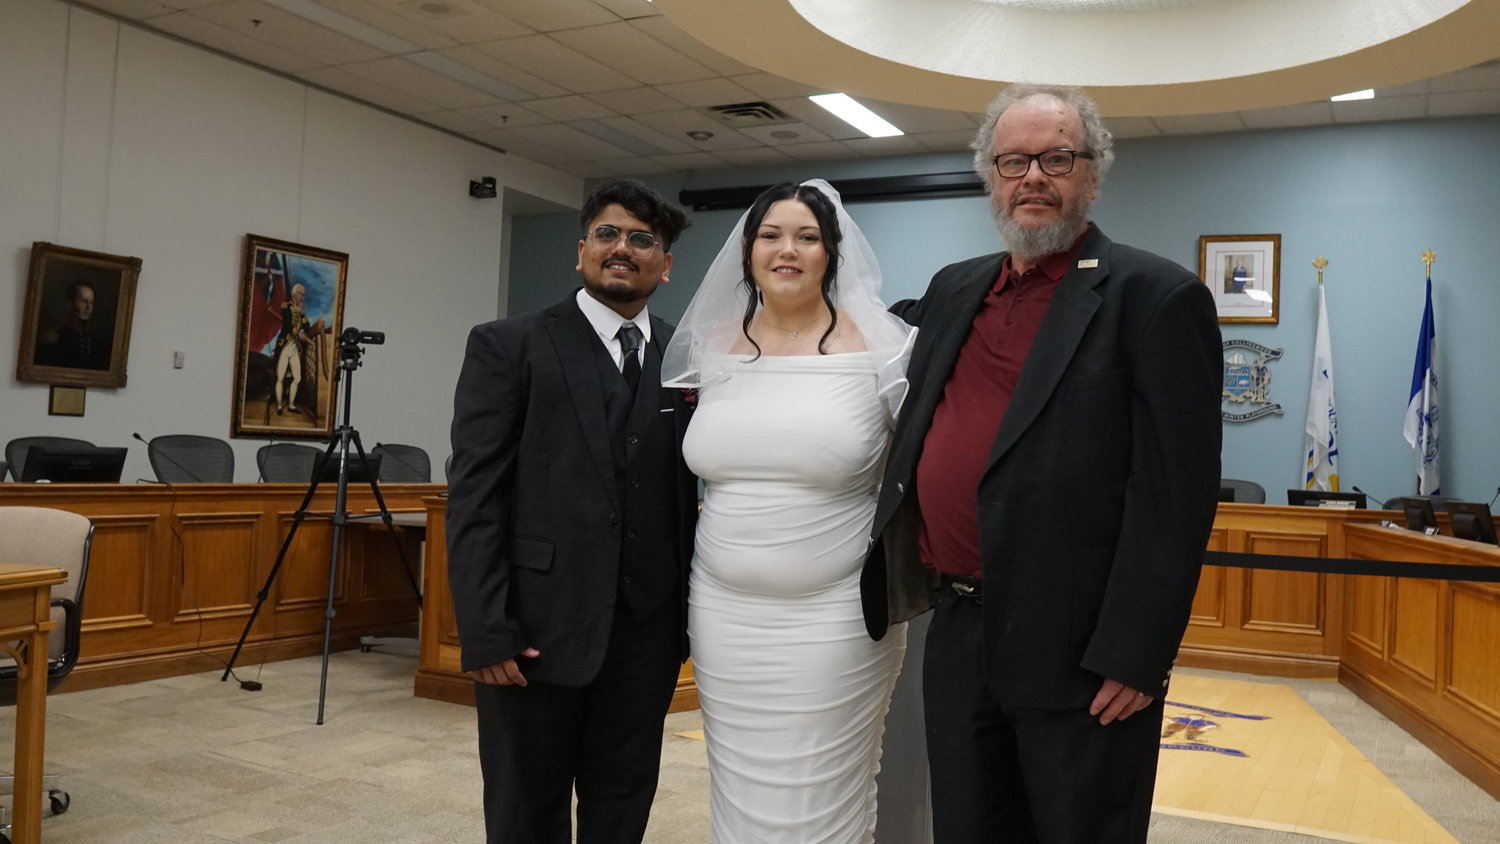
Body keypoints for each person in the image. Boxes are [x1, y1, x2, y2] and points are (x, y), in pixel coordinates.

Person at [859, 84, 1223, 843]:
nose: (1033, 177)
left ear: (1092, 174)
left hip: (1082, 648)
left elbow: (1173, 497)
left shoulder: (1156, 297)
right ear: (990, 177)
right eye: (1013, 161)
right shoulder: (955, 288)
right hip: (958, 631)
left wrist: (1139, 652)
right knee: (967, 825)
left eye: (1056, 158)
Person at [662, 180, 916, 843]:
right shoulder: (711, 348)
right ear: (747, 250)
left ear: (832, 252)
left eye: (807, 237)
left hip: (835, 617)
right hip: (722, 612)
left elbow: (919, 472)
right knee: (739, 793)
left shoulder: (887, 350)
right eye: (771, 235)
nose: (787, 250)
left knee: (820, 799)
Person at [446, 178, 698, 844]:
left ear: (665, 265)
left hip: (645, 638)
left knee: (622, 807)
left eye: (643, 239)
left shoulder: (690, 360)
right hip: (533, 633)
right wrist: (484, 626)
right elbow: (474, 496)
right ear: (580, 250)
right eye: (608, 234)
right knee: (527, 812)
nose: (624, 248)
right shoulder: (508, 347)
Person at [271, 283, 326, 416]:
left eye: (303, 294)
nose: (302, 296)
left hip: (295, 347)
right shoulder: (286, 306)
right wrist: (298, 333)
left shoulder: (301, 309)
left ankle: (291, 405)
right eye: (301, 293)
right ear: (294, 293)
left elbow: (306, 327)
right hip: (285, 344)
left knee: (297, 377)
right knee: (280, 376)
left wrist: (303, 313)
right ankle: (279, 405)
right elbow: (287, 325)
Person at [39, 280, 111, 370]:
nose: (88, 307)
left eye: (91, 302)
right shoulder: (55, 338)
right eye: (84, 301)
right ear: (71, 303)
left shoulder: (98, 340)